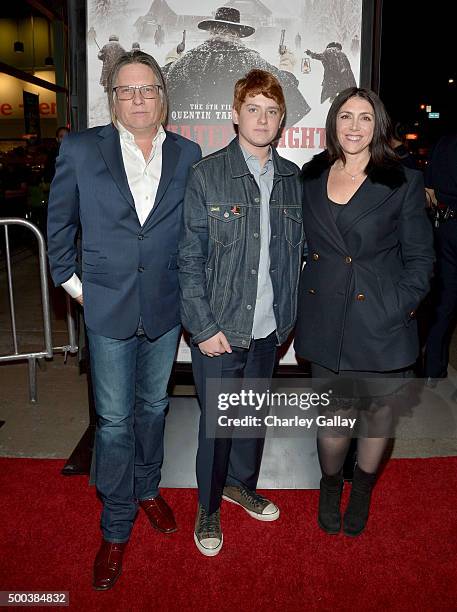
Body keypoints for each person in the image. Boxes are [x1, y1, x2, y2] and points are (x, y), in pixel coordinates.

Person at [47, 50, 201, 589]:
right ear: (112, 98)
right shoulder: (81, 148)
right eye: (126, 90)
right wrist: (77, 289)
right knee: (113, 421)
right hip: (106, 307)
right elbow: (59, 226)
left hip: (164, 306)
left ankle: (146, 487)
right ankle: (115, 525)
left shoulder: (187, 152)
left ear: (162, 97)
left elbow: (190, 233)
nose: (138, 98)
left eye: (147, 89)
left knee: (155, 406)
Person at [294, 87, 434, 536]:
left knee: (377, 421)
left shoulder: (401, 181)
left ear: (378, 126)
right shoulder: (310, 175)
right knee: (333, 423)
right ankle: (331, 484)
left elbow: (420, 260)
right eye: (346, 117)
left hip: (380, 323)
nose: (354, 127)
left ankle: (365, 489)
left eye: (365, 118)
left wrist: (397, 308)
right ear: (333, 123)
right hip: (325, 321)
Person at [178, 69, 304, 556]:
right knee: (218, 425)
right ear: (235, 114)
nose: (263, 118)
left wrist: (290, 321)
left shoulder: (293, 179)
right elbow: (188, 260)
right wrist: (203, 327)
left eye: (272, 111)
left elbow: (298, 253)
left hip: (270, 330)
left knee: (250, 418)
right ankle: (208, 506)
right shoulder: (206, 175)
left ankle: (239, 485)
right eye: (253, 108)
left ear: (281, 120)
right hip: (220, 330)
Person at [162, 7, 310, 135]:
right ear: (238, 33)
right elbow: (288, 96)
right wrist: (286, 65)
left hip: (193, 155)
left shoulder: (184, 63)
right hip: (240, 155)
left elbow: (163, 81)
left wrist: (173, 57)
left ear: (212, 30)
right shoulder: (254, 63)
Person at [423, 132, 457, 386]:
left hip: (446, 227)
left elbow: (429, 191)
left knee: (444, 301)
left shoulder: (444, 142)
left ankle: (434, 368)